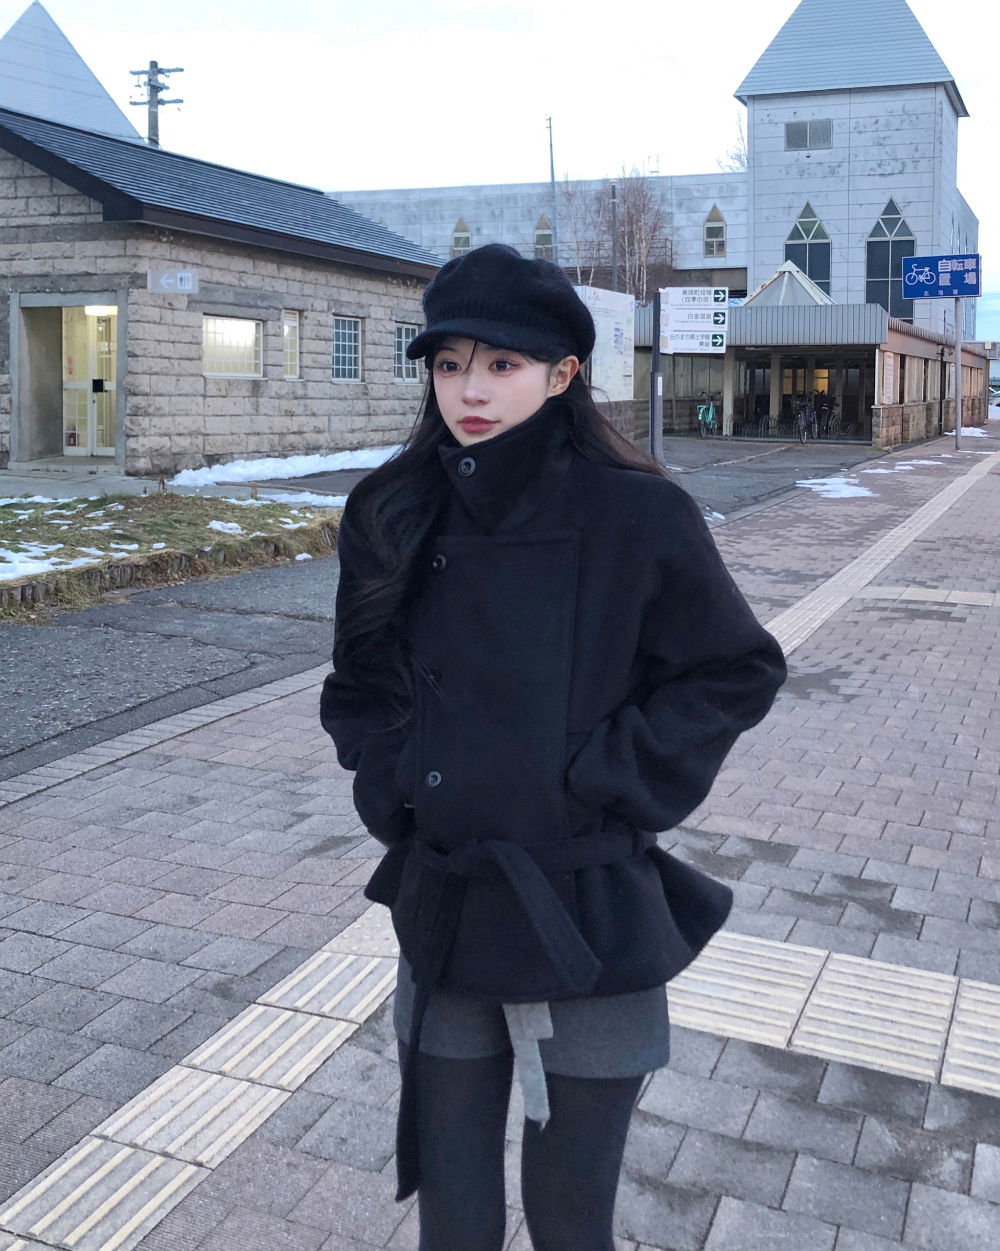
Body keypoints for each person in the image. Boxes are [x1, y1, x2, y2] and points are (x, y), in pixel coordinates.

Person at [320, 244, 786, 1251]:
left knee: (572, 1219)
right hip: (447, 900)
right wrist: (396, 785)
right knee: (454, 1216)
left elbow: (734, 668)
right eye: (449, 364)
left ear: (564, 372)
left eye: (502, 364)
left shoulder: (638, 512)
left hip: (588, 909)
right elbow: (359, 682)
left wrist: (602, 779)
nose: (469, 391)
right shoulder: (392, 508)